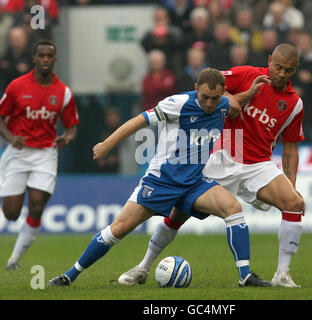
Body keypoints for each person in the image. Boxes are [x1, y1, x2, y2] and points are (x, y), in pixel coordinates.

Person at [48, 68, 272, 288]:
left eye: (215, 98)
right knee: (119, 229)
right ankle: (70, 275)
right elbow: (137, 121)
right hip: (161, 182)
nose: (210, 104)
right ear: (196, 89)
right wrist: (107, 145)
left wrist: (249, 94)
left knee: (232, 208)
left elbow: (233, 104)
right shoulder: (177, 103)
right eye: (205, 97)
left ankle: (245, 277)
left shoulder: (222, 103)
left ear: (223, 93)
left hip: (194, 182)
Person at [120, 44, 306, 288]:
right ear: (269, 60)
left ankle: (282, 274)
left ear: (295, 70)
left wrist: (292, 186)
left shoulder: (294, 104)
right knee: (178, 214)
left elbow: (291, 148)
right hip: (221, 156)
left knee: (294, 203)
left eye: (288, 70)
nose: (281, 74)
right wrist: (228, 97)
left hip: (258, 164)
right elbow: (212, 80)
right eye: (278, 67)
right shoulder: (247, 74)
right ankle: (143, 266)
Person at [0, 39, 79, 270]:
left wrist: (68, 137)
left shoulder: (63, 92)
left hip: (46, 153)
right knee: (12, 213)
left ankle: (14, 260)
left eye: (49, 56)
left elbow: (72, 125)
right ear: (34, 59)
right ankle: (18, 191)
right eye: (41, 56)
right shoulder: (16, 86)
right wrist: (10, 137)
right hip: (18, 152)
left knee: (36, 206)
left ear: (54, 60)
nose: (45, 59)